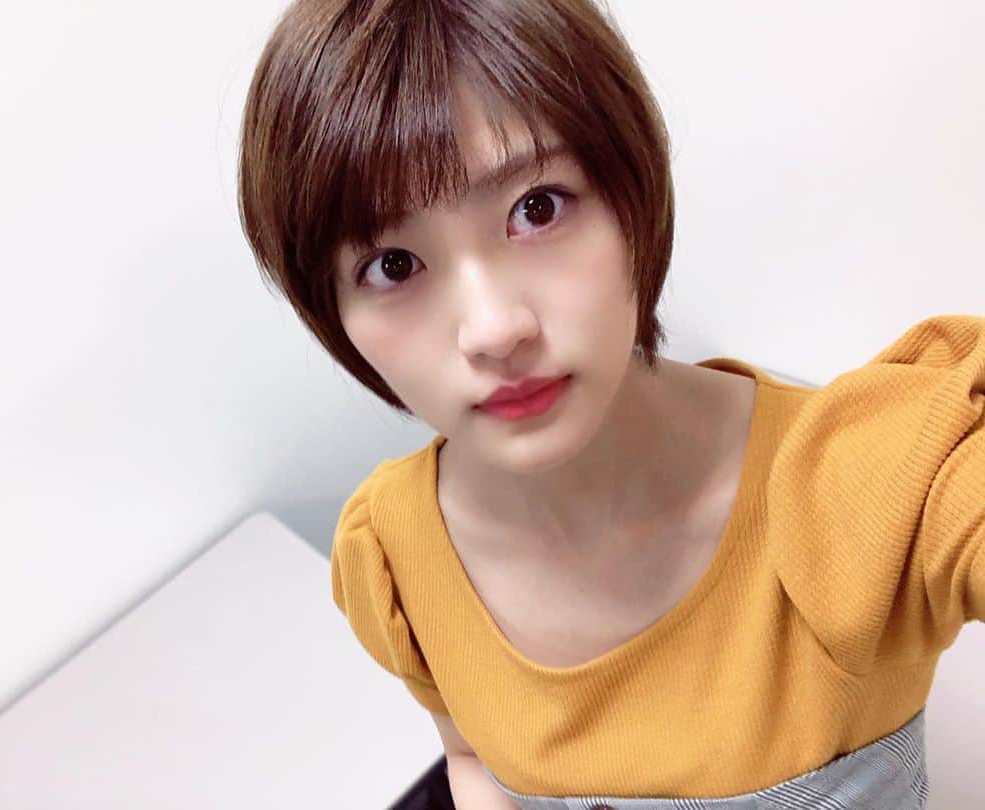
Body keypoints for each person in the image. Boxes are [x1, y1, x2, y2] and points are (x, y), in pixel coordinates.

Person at [236, 1, 984, 807]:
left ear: (633, 191)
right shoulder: (391, 555)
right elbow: (471, 757)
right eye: (392, 265)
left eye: (537, 207)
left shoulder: (878, 484)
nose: (494, 329)